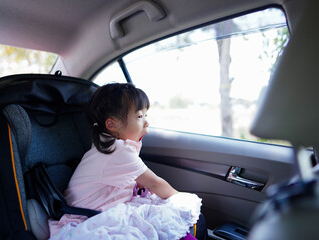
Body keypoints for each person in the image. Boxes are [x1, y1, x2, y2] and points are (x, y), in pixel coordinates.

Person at [48, 83, 205, 240]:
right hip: (87, 216)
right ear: (112, 124)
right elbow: (155, 183)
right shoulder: (117, 150)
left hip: (103, 207)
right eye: (139, 116)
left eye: (146, 115)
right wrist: (179, 199)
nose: (146, 122)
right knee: (175, 211)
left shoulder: (110, 145)